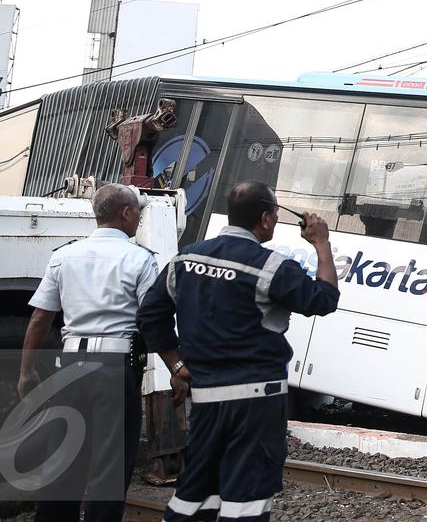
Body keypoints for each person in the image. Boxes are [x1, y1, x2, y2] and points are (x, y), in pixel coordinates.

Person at [138, 181, 340, 522]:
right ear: (265, 219)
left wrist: (178, 365)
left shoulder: (185, 260)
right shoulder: (271, 267)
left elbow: (149, 316)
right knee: (246, 501)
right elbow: (324, 299)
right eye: (275, 214)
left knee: (196, 495)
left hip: (206, 401)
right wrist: (321, 243)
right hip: (256, 404)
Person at [18, 183, 160, 522]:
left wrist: (26, 371)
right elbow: (152, 318)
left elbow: (40, 319)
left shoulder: (63, 256)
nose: (139, 218)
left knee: (63, 455)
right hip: (115, 366)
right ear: (125, 213)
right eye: (137, 212)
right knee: (110, 461)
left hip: (68, 365)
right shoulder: (140, 259)